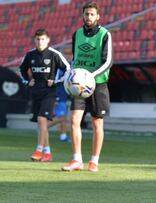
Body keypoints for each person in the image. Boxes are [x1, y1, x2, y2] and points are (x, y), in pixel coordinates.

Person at [62, 1, 113, 172]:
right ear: (82, 16)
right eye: (86, 14)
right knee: (74, 120)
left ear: (98, 16)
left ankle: (94, 161)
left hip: (97, 85)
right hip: (78, 86)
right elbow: (75, 59)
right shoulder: (76, 34)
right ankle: (77, 160)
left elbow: (108, 62)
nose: (89, 17)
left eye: (92, 14)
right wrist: (71, 74)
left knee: (97, 123)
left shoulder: (105, 34)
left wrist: (90, 76)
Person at [19, 28, 70, 162]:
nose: (40, 42)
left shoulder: (54, 54)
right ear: (34, 40)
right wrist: (27, 81)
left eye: (42, 39)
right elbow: (22, 70)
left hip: (50, 92)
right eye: (38, 39)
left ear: (48, 40)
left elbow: (68, 69)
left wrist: (57, 81)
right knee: (40, 124)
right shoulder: (30, 55)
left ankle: (39, 150)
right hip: (35, 92)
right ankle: (47, 154)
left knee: (42, 120)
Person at [47, 69, 70, 143]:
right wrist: (55, 98)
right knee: (62, 118)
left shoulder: (64, 68)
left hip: (62, 97)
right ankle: (44, 127)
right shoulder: (59, 70)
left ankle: (63, 136)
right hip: (59, 97)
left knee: (63, 118)